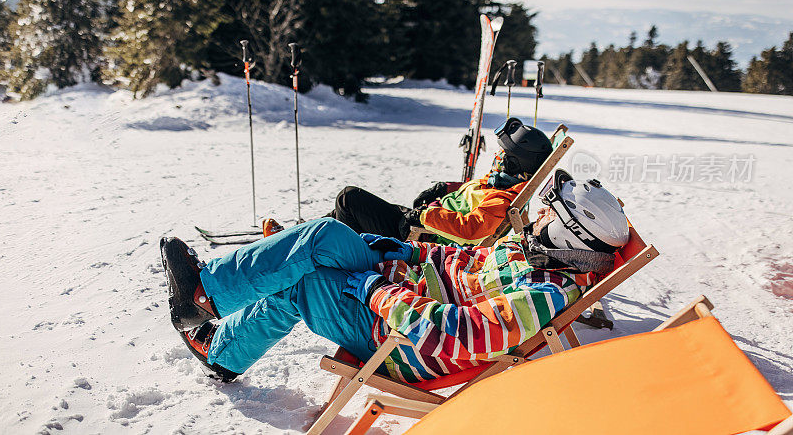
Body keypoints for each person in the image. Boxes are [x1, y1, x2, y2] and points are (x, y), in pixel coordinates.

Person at [162, 169, 630, 383]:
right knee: (325, 237)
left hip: (399, 339)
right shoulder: (536, 254)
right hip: (397, 289)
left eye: (551, 214)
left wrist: (377, 289)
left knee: (299, 278)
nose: (540, 215)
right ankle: (213, 310)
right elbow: (461, 262)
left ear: (571, 236)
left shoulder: (543, 294)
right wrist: (402, 249)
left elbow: (453, 336)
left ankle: (210, 306)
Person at [263, 117, 555, 245]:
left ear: (516, 163)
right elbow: (472, 195)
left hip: (421, 236)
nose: (495, 158)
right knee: (349, 213)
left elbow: (472, 232)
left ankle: (305, 243)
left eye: (502, 154)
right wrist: (447, 188)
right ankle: (299, 238)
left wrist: (426, 215)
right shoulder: (500, 184)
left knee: (349, 199)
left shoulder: (502, 200)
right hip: (420, 222)